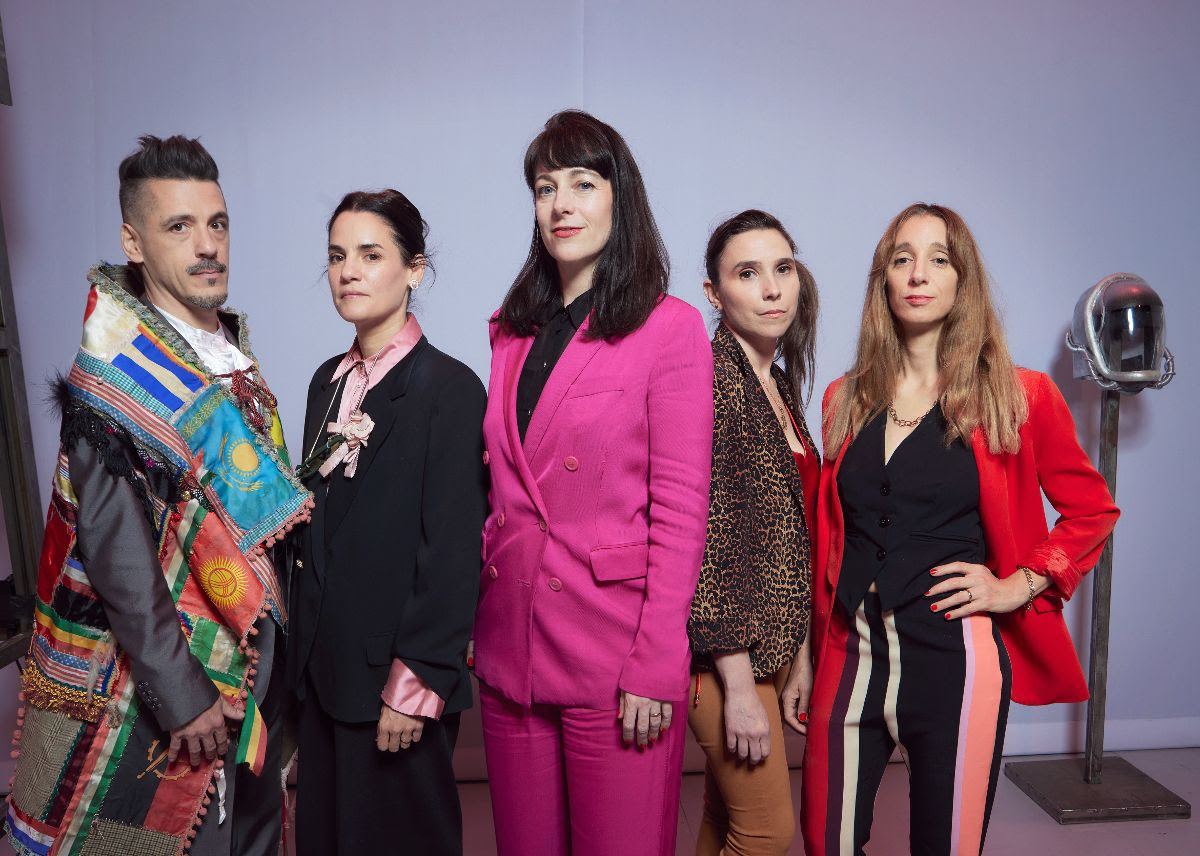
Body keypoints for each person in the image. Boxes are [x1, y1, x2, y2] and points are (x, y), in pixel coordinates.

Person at [5, 135, 309, 856]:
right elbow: (120, 562)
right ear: (132, 242)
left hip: (258, 676)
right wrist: (182, 694)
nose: (207, 246)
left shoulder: (227, 350)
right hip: (185, 692)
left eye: (217, 223)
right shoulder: (114, 376)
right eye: (179, 226)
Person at [799, 203, 1120, 855]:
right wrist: (804, 655)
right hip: (850, 650)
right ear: (884, 280)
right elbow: (825, 541)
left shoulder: (1019, 395)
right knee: (825, 841)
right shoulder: (843, 398)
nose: (918, 273)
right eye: (902, 258)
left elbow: (1092, 510)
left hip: (956, 660)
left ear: (961, 279)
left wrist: (1019, 584)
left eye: (938, 258)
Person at [472, 110, 714, 856]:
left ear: (619, 196)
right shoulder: (510, 330)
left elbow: (682, 511)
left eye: (583, 183)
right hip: (511, 647)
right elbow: (503, 491)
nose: (561, 204)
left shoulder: (668, 328)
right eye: (546, 188)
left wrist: (658, 661)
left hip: (616, 653)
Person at [287, 189, 486, 855]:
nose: (349, 271)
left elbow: (453, 550)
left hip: (395, 687)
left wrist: (415, 682)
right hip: (323, 677)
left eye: (371, 255)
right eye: (337, 256)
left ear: (414, 270)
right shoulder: (326, 381)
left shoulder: (450, 389)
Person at [687, 209, 820, 855]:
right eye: (747, 273)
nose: (771, 289)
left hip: (770, 649)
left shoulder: (777, 381)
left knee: (725, 825)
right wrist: (739, 687)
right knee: (766, 833)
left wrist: (800, 656)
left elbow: (790, 533)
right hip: (723, 661)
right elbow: (712, 541)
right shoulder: (713, 380)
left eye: (782, 268)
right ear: (714, 294)